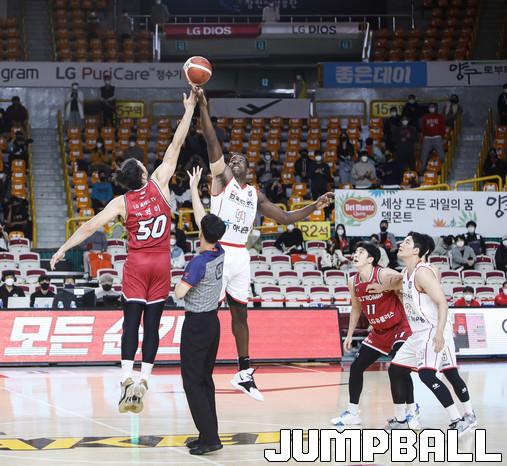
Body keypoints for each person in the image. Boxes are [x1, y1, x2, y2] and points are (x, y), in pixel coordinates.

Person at [51, 89, 198, 414]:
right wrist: (189, 109)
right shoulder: (160, 183)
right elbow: (177, 143)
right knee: (153, 325)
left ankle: (126, 378)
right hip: (161, 264)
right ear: (143, 174)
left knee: (131, 323)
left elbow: (89, 227)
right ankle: (145, 379)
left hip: (136, 264)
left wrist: (63, 248)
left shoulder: (121, 202)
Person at [197, 88, 333, 400]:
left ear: (249, 169)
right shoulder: (222, 181)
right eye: (231, 159)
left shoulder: (254, 194)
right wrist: (204, 108)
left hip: (240, 255)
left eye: (239, 160)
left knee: (240, 314)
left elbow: (284, 218)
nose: (233, 160)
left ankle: (244, 372)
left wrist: (314, 206)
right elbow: (212, 143)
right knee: (207, 312)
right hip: (218, 250)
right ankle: (199, 365)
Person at [373, 232, 476, 434]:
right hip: (418, 333)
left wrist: (439, 334)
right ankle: (401, 420)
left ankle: (459, 419)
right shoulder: (407, 272)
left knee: (429, 375)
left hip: (432, 329)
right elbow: (399, 283)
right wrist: (381, 286)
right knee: (396, 370)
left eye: (407, 242)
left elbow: (442, 303)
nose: (401, 244)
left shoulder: (423, 272)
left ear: (417, 250)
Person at [331, 242, 417, 429]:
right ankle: (353, 413)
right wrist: (349, 335)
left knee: (400, 368)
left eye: (361, 252)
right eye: (355, 251)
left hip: (399, 326)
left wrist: (385, 286)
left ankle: (411, 411)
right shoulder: (353, 281)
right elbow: (356, 308)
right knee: (356, 367)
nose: (355, 254)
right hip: (378, 332)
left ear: (370, 259)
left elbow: (407, 279)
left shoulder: (383, 274)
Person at [174, 169, 226, 455]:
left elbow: (179, 293)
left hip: (196, 325)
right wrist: (194, 188)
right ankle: (208, 433)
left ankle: (210, 439)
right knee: (205, 380)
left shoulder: (197, 263)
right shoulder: (219, 251)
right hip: (212, 323)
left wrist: (178, 281)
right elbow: (201, 219)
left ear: (202, 235)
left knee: (192, 382)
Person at [419, 103, 445, 172]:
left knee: (441, 155)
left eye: (433, 107)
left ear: (435, 108)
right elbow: (423, 129)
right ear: (428, 109)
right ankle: (421, 170)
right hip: (427, 138)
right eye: (430, 107)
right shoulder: (425, 117)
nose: (431, 108)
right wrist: (423, 138)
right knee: (423, 155)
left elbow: (442, 127)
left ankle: (444, 170)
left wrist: (442, 137)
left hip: (437, 137)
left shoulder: (440, 117)